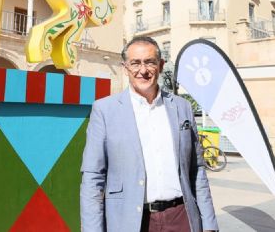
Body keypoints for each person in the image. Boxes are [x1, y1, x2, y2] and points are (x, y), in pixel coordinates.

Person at [80, 36, 218, 232]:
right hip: (130, 222)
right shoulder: (105, 110)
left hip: (181, 217)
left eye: (150, 62)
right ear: (125, 67)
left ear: (160, 65)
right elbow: (93, 177)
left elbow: (197, 170)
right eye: (135, 63)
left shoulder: (182, 107)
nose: (143, 70)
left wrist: (209, 223)